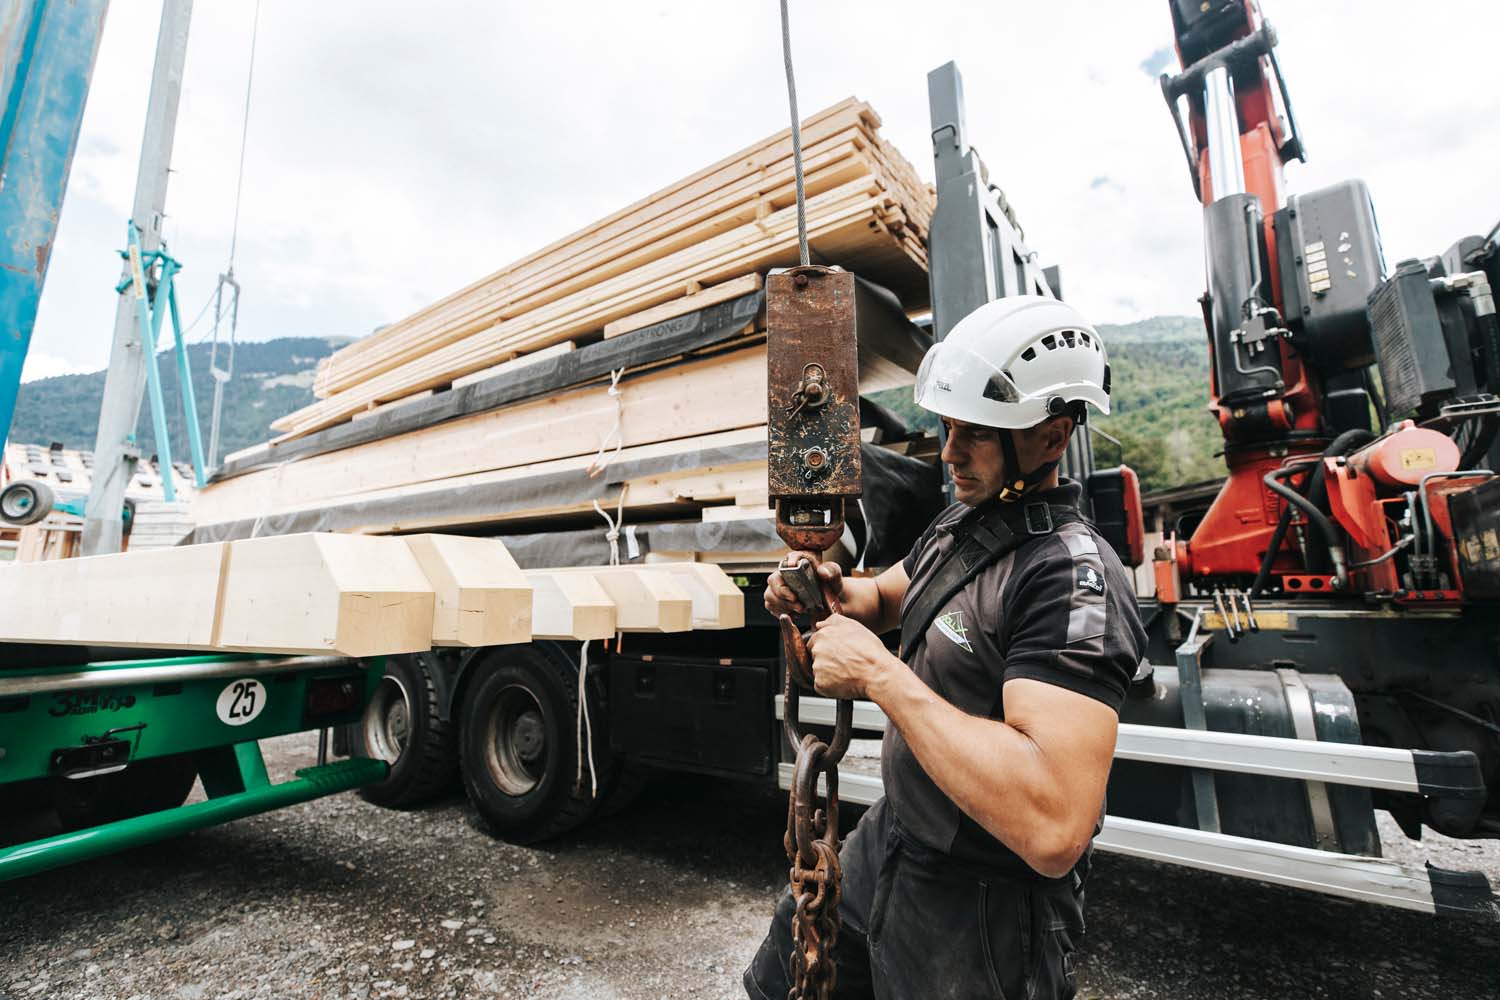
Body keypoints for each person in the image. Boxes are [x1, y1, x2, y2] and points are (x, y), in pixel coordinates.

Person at [745, 295, 1147, 1000]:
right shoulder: (965, 523)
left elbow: (1054, 822)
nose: (951, 451)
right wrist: (831, 590)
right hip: (893, 840)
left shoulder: (1068, 579)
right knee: (786, 982)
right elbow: (891, 596)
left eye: (978, 435)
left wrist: (878, 675)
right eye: (948, 426)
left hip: (981, 901)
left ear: (1051, 438)